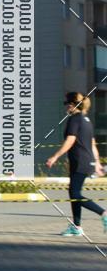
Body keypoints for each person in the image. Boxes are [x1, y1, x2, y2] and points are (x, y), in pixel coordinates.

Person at [46, 92, 107, 236]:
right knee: (74, 192)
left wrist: (55, 157)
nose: (66, 107)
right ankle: (77, 226)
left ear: (73, 105)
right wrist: (97, 163)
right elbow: (92, 144)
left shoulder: (74, 119)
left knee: (74, 193)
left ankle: (103, 213)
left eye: (67, 104)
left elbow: (70, 140)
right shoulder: (86, 120)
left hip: (79, 161)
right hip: (86, 161)